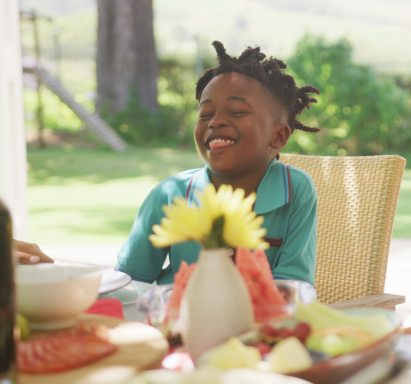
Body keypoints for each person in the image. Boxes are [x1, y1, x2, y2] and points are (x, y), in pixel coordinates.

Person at [116, 41, 320, 286]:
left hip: (258, 321)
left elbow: (293, 285)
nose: (215, 122)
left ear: (278, 136)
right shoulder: (169, 194)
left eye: (236, 112)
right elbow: (129, 281)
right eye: (205, 114)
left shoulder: (295, 190)